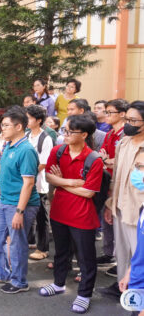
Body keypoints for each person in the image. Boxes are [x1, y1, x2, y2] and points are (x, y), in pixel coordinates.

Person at [39, 115, 103, 314]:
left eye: (70, 132)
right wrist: (72, 182)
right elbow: (49, 176)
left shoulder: (94, 159)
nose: (64, 135)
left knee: (86, 258)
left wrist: (62, 182)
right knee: (61, 252)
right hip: (59, 212)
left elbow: (89, 192)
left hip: (82, 216)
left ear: (84, 134)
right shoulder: (58, 152)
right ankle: (58, 284)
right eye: (64, 131)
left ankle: (84, 294)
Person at [0, 106, 39, 294]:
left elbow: (28, 183)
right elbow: (5, 173)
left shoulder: (26, 150)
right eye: (2, 125)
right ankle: (1, 273)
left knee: (16, 244)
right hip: (4, 201)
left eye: (6, 125)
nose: (3, 129)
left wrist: (20, 212)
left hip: (19, 205)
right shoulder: (8, 145)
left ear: (19, 126)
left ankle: (19, 281)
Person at [98, 101, 144, 300]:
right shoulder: (124, 142)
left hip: (138, 211)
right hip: (119, 206)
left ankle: (137, 292)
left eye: (133, 120)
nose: (128, 124)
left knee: (139, 255)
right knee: (123, 253)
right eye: (127, 119)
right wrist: (110, 204)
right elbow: (116, 176)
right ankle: (122, 287)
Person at [96, 99, 129, 271]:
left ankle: (121, 259)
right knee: (107, 218)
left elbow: (122, 159)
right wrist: (106, 160)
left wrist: (107, 160)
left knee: (120, 221)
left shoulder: (126, 134)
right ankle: (109, 253)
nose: (106, 115)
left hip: (122, 183)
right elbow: (103, 156)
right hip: (108, 180)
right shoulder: (109, 134)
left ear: (122, 114)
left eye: (110, 112)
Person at [25, 105, 54, 261]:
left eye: (29, 118)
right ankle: (30, 241)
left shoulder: (46, 138)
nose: (26, 120)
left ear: (39, 120)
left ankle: (43, 248)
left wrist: (25, 173)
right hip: (27, 181)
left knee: (42, 216)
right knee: (27, 211)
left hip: (39, 184)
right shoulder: (27, 135)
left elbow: (43, 164)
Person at [118, 152, 144, 308]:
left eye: (141, 167)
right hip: (137, 285)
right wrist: (130, 271)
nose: (137, 172)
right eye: (137, 166)